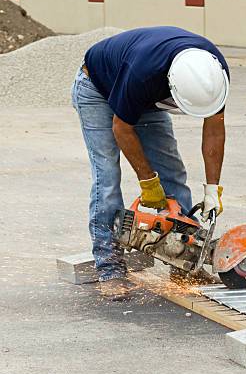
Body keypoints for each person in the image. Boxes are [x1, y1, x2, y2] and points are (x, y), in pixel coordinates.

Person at [71, 26, 229, 300]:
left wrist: (212, 189)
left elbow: (214, 128)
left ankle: (183, 265)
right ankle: (110, 268)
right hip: (97, 87)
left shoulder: (213, 73)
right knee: (107, 176)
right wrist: (148, 182)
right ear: (172, 86)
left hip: (145, 98)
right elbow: (121, 128)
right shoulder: (142, 72)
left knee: (172, 173)